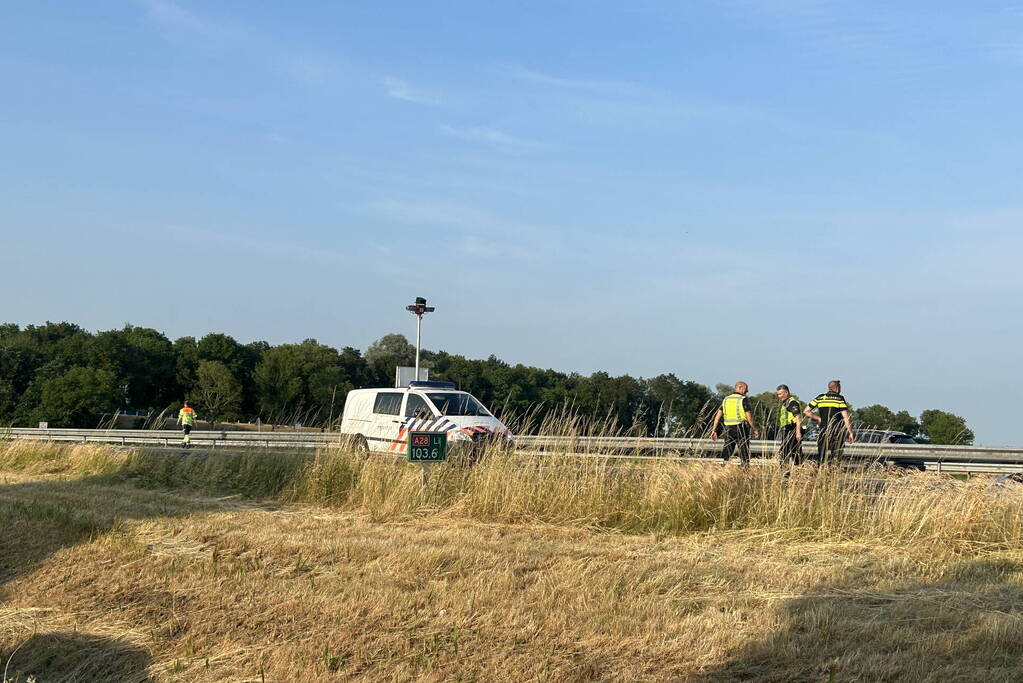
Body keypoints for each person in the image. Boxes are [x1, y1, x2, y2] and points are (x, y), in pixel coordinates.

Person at [803, 380, 854, 463]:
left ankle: (821, 469)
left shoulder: (820, 398)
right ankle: (834, 469)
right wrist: (850, 432)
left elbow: (806, 411)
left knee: (822, 456)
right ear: (837, 388)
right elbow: (845, 417)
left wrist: (818, 418)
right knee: (836, 456)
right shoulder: (839, 399)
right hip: (836, 432)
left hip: (823, 431)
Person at [710, 381, 760, 466]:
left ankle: (723, 469)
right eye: (746, 389)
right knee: (744, 453)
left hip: (728, 430)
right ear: (739, 387)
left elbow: (717, 417)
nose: (747, 391)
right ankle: (745, 470)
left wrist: (713, 430)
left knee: (727, 452)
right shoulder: (743, 399)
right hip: (741, 429)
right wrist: (755, 429)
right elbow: (749, 418)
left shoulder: (726, 399)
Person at [775, 384, 803, 464]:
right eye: (778, 394)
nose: (779, 396)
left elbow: (798, 417)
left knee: (792, 453)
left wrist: (798, 432)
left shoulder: (792, 403)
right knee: (787, 453)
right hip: (786, 430)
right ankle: (787, 469)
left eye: (780, 394)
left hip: (792, 429)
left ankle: (795, 468)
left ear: (786, 392)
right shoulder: (785, 403)